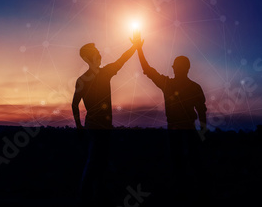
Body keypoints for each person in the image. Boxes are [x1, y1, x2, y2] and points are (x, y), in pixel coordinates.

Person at [131, 32, 207, 187]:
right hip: (188, 130)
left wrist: (139, 49)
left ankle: (186, 189)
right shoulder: (194, 87)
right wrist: (202, 133)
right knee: (193, 161)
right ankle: (197, 190)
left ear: (177, 68)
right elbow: (202, 112)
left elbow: (147, 69)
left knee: (180, 162)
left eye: (175, 67)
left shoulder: (168, 85)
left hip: (176, 130)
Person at [72, 41, 138, 206]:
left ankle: (95, 195)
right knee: (95, 161)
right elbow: (74, 104)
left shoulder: (88, 78)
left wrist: (79, 126)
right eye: (96, 52)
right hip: (97, 127)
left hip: (99, 127)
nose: (100, 54)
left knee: (98, 162)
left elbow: (74, 104)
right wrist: (134, 46)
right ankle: (86, 197)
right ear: (88, 57)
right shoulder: (100, 74)